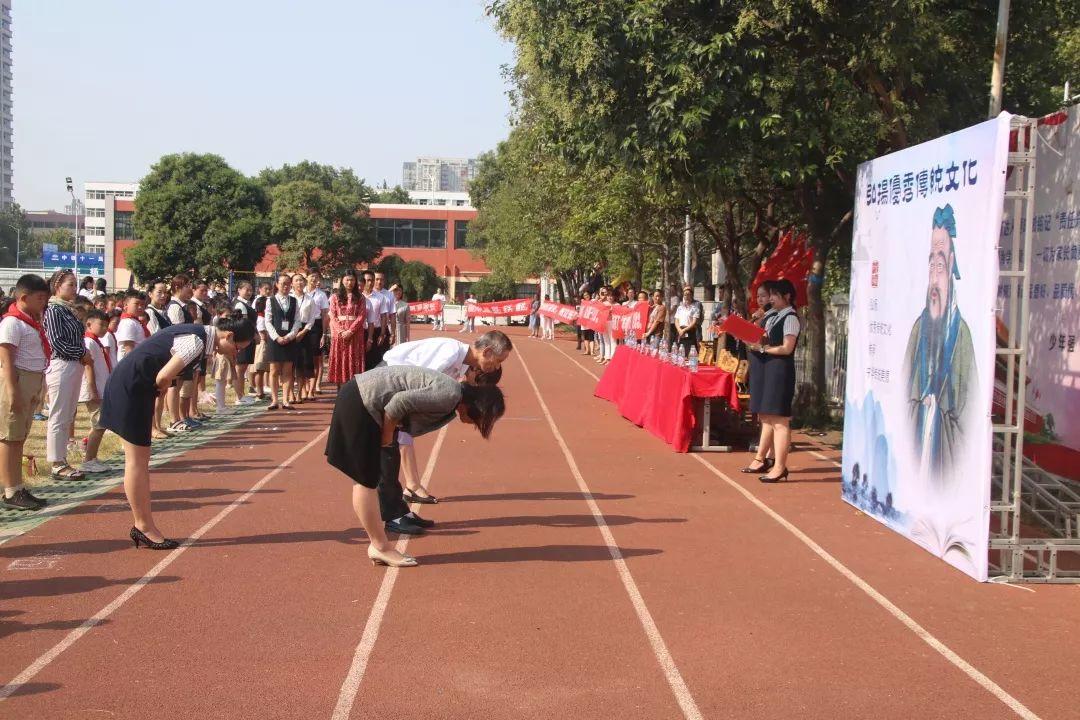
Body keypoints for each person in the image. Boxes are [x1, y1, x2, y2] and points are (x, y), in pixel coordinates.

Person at [325, 365, 505, 567]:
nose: (476, 424)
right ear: (477, 405)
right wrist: (386, 439)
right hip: (362, 402)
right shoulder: (450, 394)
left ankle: (380, 545)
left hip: (362, 400)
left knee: (368, 479)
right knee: (365, 481)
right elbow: (398, 403)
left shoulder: (453, 396)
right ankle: (380, 547)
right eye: (481, 418)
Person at [101, 313, 254, 549]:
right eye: (238, 347)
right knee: (136, 462)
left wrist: (160, 389)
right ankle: (143, 526)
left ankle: (143, 524)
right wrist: (159, 389)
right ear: (229, 336)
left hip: (134, 384)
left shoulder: (200, 336)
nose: (237, 353)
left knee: (140, 460)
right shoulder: (197, 341)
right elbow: (163, 375)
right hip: (132, 386)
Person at [380, 331, 514, 510]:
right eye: (499, 361)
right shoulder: (450, 353)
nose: (497, 367)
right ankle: (392, 505)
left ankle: (403, 494)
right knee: (387, 446)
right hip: (386, 379)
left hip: (396, 388)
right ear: (487, 352)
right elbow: (419, 384)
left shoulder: (459, 365)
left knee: (399, 436)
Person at [903, 204, 976, 482]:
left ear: (952, 265)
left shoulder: (962, 335)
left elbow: (970, 413)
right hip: (916, 441)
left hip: (944, 453)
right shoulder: (919, 328)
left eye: (941, 265)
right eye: (931, 264)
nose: (935, 278)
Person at [0, 275, 51, 510]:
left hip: (31, 379)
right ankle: (10, 491)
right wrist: (13, 393)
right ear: (23, 297)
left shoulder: (30, 321)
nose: (44, 302)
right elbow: (7, 359)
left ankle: (18, 487)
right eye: (40, 298)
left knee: (19, 436)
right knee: (9, 437)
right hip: (17, 380)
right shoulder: (12, 323)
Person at [746, 279, 800, 483]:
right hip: (769, 369)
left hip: (781, 371)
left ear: (786, 297)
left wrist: (764, 349)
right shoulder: (774, 315)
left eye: (775, 296)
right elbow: (760, 337)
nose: (771, 300)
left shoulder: (791, 318)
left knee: (780, 420)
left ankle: (780, 466)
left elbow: (787, 347)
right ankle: (767, 461)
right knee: (768, 417)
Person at [43, 269, 90, 482]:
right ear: (57, 286)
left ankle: (62, 459)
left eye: (74, 284)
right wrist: (81, 353)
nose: (74, 288)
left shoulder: (69, 309)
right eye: (70, 284)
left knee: (67, 414)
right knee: (59, 414)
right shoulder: (53, 309)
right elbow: (56, 342)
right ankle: (56, 462)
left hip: (74, 365)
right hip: (62, 365)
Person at [78, 309, 112, 474]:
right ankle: (88, 460)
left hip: (100, 388)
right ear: (89, 324)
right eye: (101, 324)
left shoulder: (95, 342)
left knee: (99, 425)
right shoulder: (89, 342)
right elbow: (88, 366)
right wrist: (92, 390)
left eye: (107, 325)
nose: (105, 328)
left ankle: (91, 457)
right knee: (99, 424)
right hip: (95, 390)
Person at [167, 275, 199, 431]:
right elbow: (178, 331)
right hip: (178, 350)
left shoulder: (184, 306)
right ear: (178, 287)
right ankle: (174, 419)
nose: (190, 289)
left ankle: (182, 417)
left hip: (185, 350)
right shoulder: (174, 307)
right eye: (187, 286)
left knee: (182, 384)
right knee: (174, 385)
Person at [265, 273, 301, 410]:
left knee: (288, 371)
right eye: (282, 283)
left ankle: (285, 399)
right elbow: (268, 321)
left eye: (287, 283)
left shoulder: (294, 301)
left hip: (289, 340)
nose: (285, 286)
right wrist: (276, 337)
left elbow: (298, 321)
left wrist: (290, 336)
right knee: (273, 370)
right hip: (275, 340)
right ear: (277, 285)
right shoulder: (271, 300)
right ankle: (274, 400)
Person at [329, 269, 366, 383]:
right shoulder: (335, 297)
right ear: (342, 281)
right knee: (340, 360)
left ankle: (354, 387)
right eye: (347, 280)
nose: (350, 282)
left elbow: (361, 316)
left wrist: (350, 331)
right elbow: (332, 315)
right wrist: (341, 331)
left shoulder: (360, 298)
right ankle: (340, 389)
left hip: (355, 334)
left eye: (352, 280)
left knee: (354, 360)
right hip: (339, 334)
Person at [291, 273, 316, 403]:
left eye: (301, 280)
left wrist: (304, 331)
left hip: (304, 333)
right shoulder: (289, 298)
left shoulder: (309, 299)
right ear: (292, 283)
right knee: (290, 366)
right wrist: (293, 333)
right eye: (296, 280)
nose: (299, 283)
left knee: (303, 365)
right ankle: (290, 394)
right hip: (289, 333)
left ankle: (299, 393)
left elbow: (312, 318)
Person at [306, 272, 331, 394]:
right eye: (311, 276)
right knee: (305, 357)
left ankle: (317, 384)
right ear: (307, 277)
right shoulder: (300, 292)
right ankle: (306, 385)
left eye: (316, 277)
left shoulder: (321, 295)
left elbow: (325, 315)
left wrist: (324, 333)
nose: (314, 279)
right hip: (302, 324)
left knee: (317, 358)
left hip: (316, 325)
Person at [362, 270, 389, 369]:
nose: (370, 283)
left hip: (375, 332)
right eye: (367, 280)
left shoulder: (380, 297)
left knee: (374, 360)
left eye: (371, 280)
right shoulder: (357, 296)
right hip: (359, 332)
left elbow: (383, 316)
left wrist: (382, 333)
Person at [116, 292, 150, 363]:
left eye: (142, 304)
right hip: (130, 364)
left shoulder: (135, 321)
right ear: (126, 305)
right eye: (136, 304)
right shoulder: (128, 322)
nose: (140, 307)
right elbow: (128, 348)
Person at [673, 285, 702, 357]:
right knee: (680, 352)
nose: (686, 296)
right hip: (680, 331)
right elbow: (676, 320)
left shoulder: (695, 308)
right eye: (685, 294)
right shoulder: (680, 307)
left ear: (691, 295)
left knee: (690, 352)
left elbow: (694, 322)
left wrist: (684, 330)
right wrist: (679, 330)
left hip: (690, 331)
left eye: (688, 294)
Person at [578, 291, 596, 356]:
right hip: (584, 323)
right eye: (585, 295)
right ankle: (587, 351)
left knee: (591, 337)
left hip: (591, 322)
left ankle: (592, 351)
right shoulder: (582, 303)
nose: (586, 296)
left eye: (587, 295)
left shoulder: (593, 301)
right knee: (585, 338)